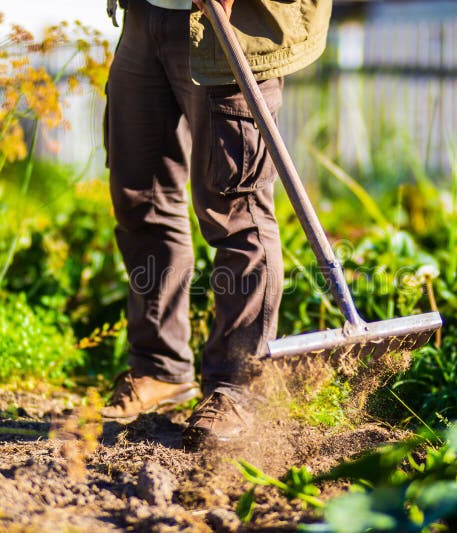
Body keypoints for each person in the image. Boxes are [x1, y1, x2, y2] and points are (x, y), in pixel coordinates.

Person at [100, 0, 331, 449]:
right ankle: (160, 369)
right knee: (141, 198)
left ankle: (238, 387)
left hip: (233, 22)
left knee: (235, 208)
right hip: (146, 16)